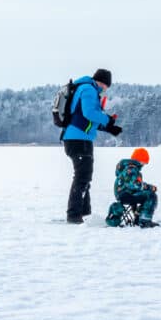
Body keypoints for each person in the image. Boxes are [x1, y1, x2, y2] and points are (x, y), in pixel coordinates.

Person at [61, 68, 121, 224]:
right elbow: (88, 113)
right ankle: (74, 215)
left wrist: (109, 127)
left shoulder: (87, 89)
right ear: (102, 82)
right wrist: (107, 120)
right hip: (77, 139)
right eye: (106, 86)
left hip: (80, 138)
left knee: (85, 177)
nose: (106, 89)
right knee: (82, 177)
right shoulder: (88, 89)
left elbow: (86, 119)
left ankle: (85, 213)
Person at [106, 147, 158, 228]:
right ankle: (145, 220)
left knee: (142, 195)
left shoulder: (127, 168)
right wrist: (150, 187)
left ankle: (138, 218)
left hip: (123, 194)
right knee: (151, 195)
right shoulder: (132, 169)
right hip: (126, 194)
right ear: (140, 160)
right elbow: (135, 185)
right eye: (144, 162)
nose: (144, 165)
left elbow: (132, 186)